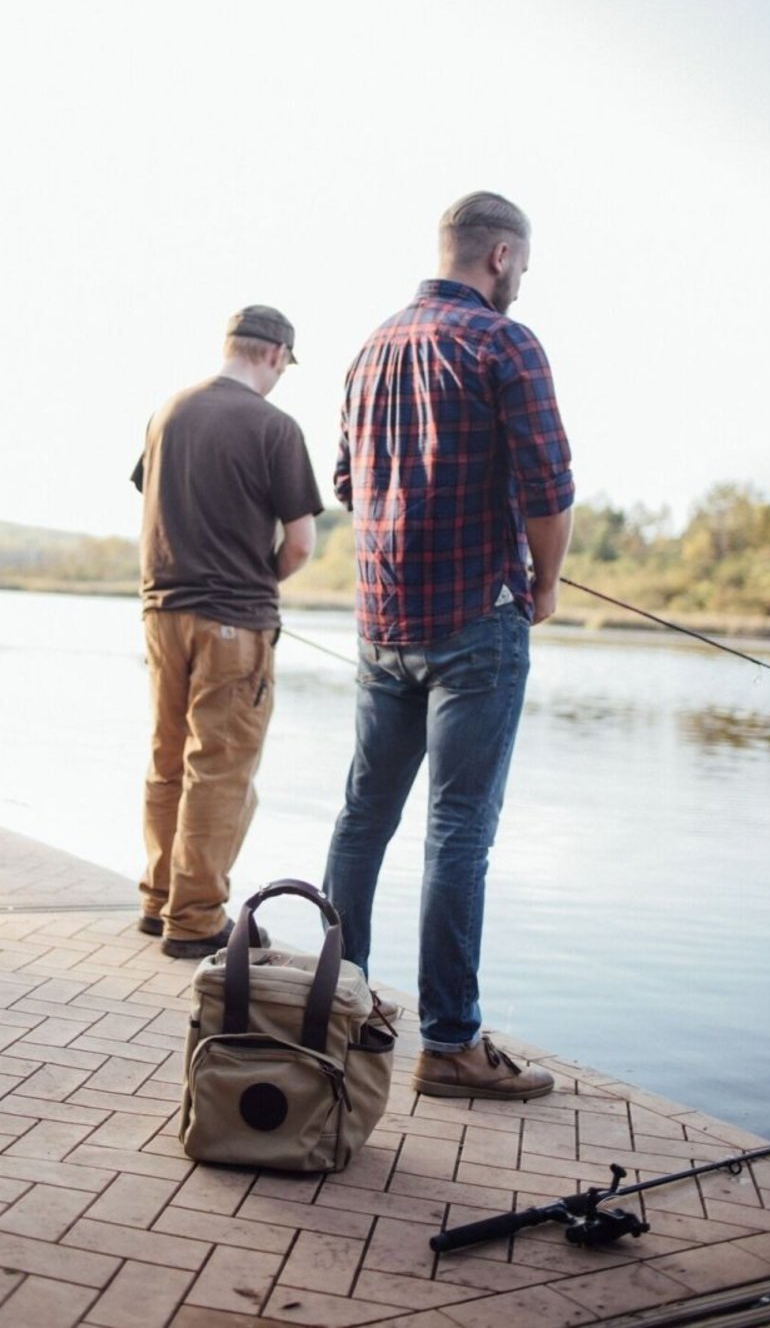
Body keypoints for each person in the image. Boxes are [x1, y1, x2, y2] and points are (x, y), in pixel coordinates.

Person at [324, 191, 574, 1099]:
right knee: (457, 833)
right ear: (501, 256)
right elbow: (549, 488)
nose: (521, 281)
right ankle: (452, 1044)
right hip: (476, 621)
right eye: (524, 266)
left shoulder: (372, 344)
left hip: (382, 623)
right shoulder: (506, 343)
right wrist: (542, 584)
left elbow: (350, 483)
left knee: (363, 819)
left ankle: (336, 1010)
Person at [131, 306, 322, 959]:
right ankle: (197, 919)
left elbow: (157, 499)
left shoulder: (169, 414)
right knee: (220, 769)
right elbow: (300, 544)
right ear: (274, 355)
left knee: (168, 756)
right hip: (235, 621)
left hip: (162, 611)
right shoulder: (274, 427)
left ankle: (160, 901)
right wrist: (257, 577)